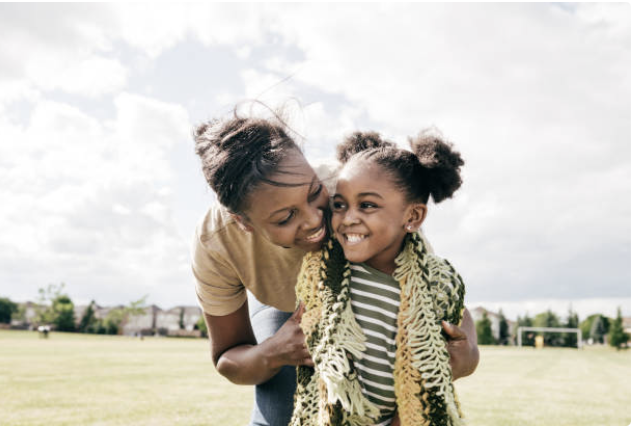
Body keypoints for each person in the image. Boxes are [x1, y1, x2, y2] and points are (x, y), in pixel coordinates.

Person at [191, 112, 479, 426]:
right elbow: (228, 358)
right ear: (243, 222)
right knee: (280, 412)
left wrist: (467, 355)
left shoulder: (356, 197)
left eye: (315, 194)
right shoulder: (216, 241)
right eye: (285, 217)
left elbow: (433, 303)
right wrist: (274, 352)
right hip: (286, 308)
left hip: (360, 308)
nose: (316, 220)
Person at [291, 130, 472, 426]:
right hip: (333, 416)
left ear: (412, 217)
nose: (348, 218)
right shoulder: (325, 272)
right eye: (340, 205)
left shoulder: (433, 282)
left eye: (367, 205)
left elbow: (451, 335)